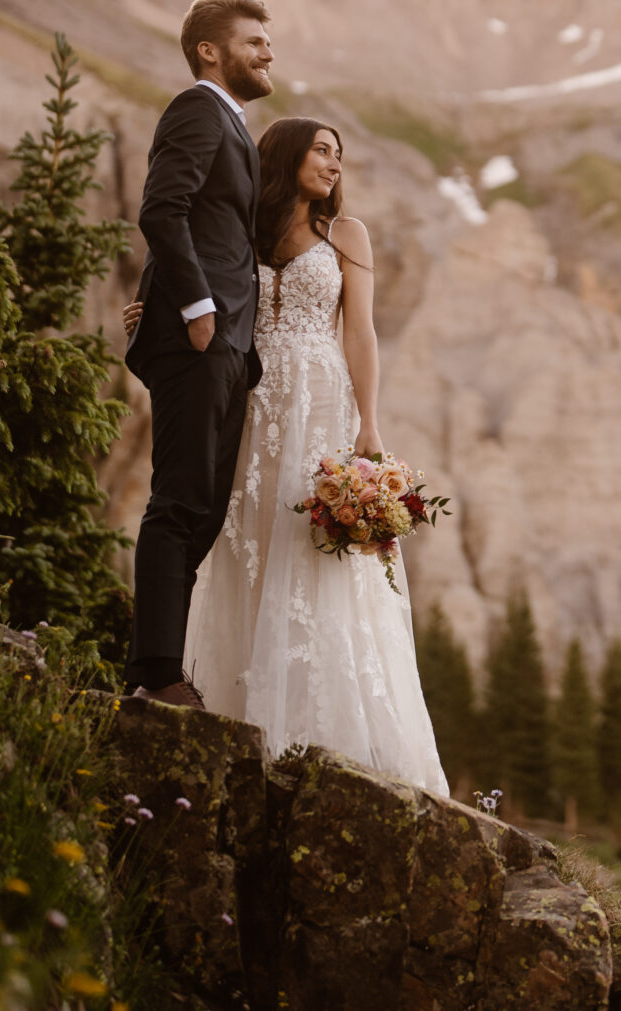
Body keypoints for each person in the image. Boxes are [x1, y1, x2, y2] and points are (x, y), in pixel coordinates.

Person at [130, 118, 447, 793]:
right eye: (322, 150)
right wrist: (151, 314)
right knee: (243, 533)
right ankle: (238, 709)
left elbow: (360, 332)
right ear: (285, 154)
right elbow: (188, 273)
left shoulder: (346, 236)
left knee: (306, 540)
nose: (334, 163)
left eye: (341, 154)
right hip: (245, 393)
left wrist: (369, 422)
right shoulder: (241, 230)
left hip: (321, 399)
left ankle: (321, 728)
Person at [121, 0, 273, 707]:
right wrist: (195, 307)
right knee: (179, 500)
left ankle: (161, 665)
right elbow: (161, 207)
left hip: (228, 348)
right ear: (210, 50)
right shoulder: (197, 109)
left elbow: (209, 225)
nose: (267, 51)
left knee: (204, 509)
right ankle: (155, 672)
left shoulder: (234, 125)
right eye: (254, 40)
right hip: (200, 337)